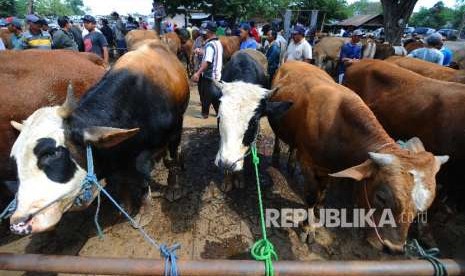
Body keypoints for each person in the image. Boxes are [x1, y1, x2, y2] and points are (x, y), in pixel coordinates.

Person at [191, 21, 223, 119]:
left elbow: (207, 62)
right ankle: (219, 114)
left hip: (209, 75)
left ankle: (205, 114)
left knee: (206, 95)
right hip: (217, 74)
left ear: (209, 32)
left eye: (204, 32)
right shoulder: (217, 43)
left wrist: (198, 73)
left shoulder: (209, 45)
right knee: (216, 96)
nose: (202, 34)